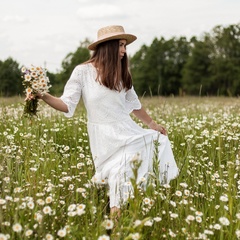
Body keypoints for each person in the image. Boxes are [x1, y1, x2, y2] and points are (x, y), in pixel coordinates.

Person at [37, 25, 179, 217]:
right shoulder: (82, 72)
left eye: (124, 46)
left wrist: (152, 125)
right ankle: (118, 219)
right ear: (108, 46)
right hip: (104, 139)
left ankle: (116, 221)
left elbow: (134, 104)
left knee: (145, 153)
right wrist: (44, 96)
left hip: (127, 132)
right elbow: (66, 104)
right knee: (116, 174)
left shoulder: (122, 73)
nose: (123, 50)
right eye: (120, 45)